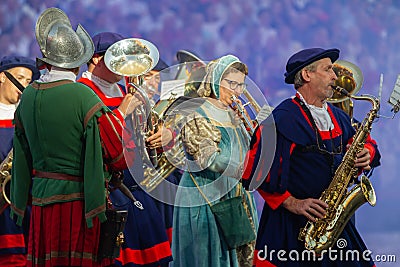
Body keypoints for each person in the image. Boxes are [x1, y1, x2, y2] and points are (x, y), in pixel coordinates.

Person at [242, 48, 380, 267]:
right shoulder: (283, 118)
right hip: (291, 228)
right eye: (328, 70)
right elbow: (255, 170)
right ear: (307, 75)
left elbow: (366, 142)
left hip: (333, 223)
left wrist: (367, 154)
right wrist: (292, 203)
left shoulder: (337, 116)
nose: (335, 76)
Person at [10, 8, 116, 266]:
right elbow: (114, 151)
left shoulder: (28, 97)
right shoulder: (83, 95)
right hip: (78, 202)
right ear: (77, 62)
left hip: (41, 200)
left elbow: (22, 153)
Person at [78, 31, 173, 267]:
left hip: (137, 187)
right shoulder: (82, 92)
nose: (125, 67)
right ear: (96, 59)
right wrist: (122, 112)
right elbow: (94, 144)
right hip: (106, 191)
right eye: (117, 59)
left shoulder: (124, 91)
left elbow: (143, 140)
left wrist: (164, 139)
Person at [172, 55, 258, 267]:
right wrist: (245, 168)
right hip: (206, 197)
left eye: (241, 85)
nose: (237, 91)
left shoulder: (234, 114)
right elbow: (209, 159)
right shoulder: (196, 112)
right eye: (232, 84)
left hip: (236, 195)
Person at [0, 55, 39, 267]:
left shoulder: (28, 116)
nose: (23, 85)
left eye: (27, 81)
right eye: (19, 78)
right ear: (2, 78)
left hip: (25, 204)